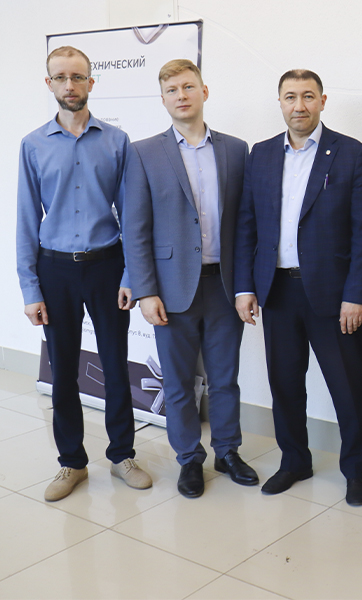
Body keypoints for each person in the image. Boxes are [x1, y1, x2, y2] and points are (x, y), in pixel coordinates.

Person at [233, 69, 362, 506]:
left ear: (323, 101)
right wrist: (244, 287)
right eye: (291, 97)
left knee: (348, 387)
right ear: (280, 102)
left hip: (333, 295)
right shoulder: (261, 154)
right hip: (276, 290)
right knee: (285, 385)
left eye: (308, 96)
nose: (300, 105)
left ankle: (356, 471)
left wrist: (356, 294)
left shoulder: (351, 154)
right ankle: (295, 461)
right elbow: (247, 225)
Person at [16, 46, 152, 501]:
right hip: (54, 270)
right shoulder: (33, 145)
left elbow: (132, 216)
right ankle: (72, 462)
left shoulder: (117, 142)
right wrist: (30, 288)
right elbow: (25, 219)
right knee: (63, 372)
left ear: (91, 82)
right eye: (60, 77)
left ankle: (122, 455)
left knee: (115, 365)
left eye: (77, 77)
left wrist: (131, 274)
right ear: (49, 83)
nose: (69, 85)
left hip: (107, 266)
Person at [123, 59, 256, 499]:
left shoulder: (236, 150)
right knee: (179, 383)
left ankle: (228, 452)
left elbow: (245, 223)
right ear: (163, 100)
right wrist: (145, 290)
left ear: (204, 91)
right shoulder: (143, 152)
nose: (181, 96)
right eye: (172, 90)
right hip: (170, 288)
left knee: (225, 379)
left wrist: (246, 285)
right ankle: (189, 459)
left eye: (188, 87)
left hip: (224, 285)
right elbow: (135, 228)